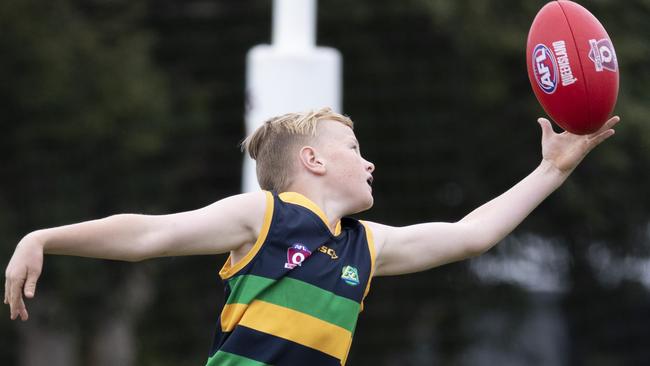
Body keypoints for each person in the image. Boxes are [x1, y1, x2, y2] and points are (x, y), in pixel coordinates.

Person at [4, 107, 619, 365]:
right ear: (314, 162)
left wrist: (552, 169)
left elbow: (468, 235)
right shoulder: (263, 216)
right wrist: (46, 236)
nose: (370, 162)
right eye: (355, 149)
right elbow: (149, 235)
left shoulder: (366, 245)